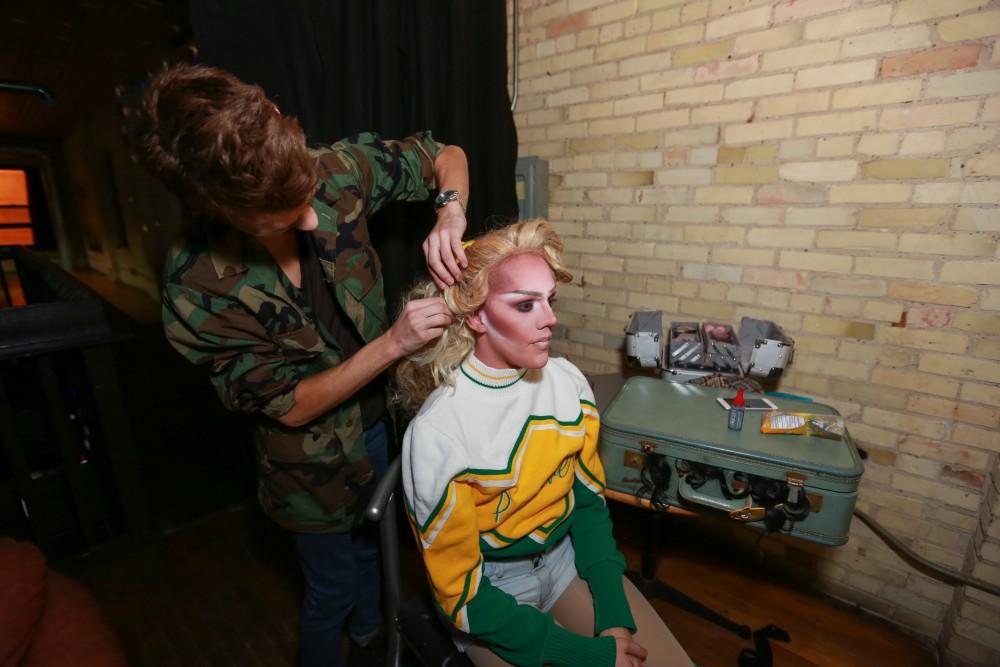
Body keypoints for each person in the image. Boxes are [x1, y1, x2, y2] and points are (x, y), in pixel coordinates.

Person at [131, 63, 470, 667]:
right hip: (308, 466)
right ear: (225, 212)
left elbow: (446, 154)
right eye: (287, 214)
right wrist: (392, 345)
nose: (316, 219)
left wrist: (448, 211)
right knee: (331, 591)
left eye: (305, 193)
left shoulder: (331, 172)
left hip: (375, 425)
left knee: (378, 550)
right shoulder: (198, 287)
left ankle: (373, 640)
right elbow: (290, 406)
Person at [396, 221, 693, 667]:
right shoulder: (438, 432)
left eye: (549, 301)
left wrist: (612, 614)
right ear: (476, 315)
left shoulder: (568, 383)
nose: (550, 318)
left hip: (564, 560)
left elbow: (589, 506)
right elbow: (460, 593)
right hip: (490, 590)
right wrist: (587, 654)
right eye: (525, 304)